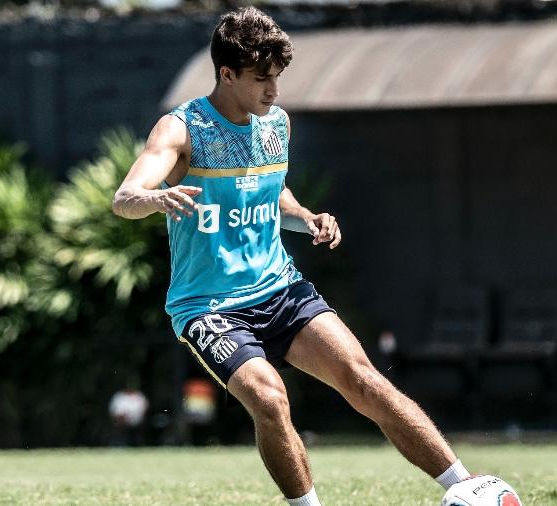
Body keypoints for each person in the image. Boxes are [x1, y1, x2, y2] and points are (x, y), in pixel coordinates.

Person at [112, 7, 471, 505]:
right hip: (210, 308)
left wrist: (306, 216)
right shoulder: (181, 130)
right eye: (261, 80)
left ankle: (466, 488)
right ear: (227, 74)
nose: (273, 92)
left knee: (363, 379)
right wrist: (151, 198)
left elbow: (269, 190)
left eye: (277, 79)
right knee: (269, 398)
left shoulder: (275, 124)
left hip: (281, 289)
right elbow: (124, 198)